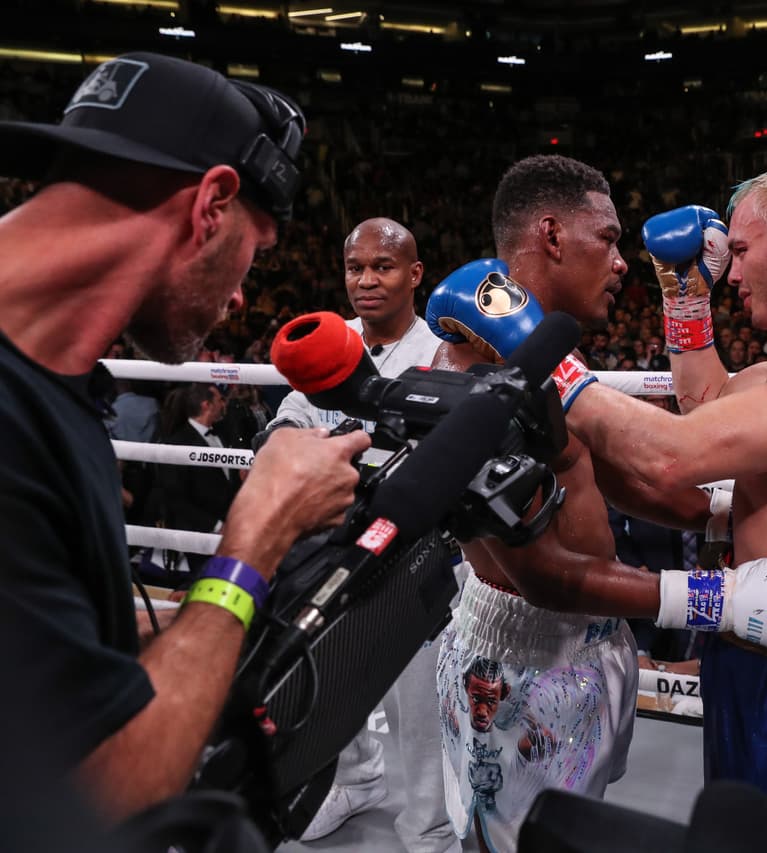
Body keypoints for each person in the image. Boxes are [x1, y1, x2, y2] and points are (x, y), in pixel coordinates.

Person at [432, 157, 767, 853]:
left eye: (744, 252)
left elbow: (674, 453)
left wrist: (540, 351)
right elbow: (706, 406)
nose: (735, 273)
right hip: (751, 637)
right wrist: (684, 298)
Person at [0, 53, 370, 820]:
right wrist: (253, 544)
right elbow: (99, 798)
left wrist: (178, 631)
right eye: (253, 251)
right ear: (211, 205)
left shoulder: (49, 388)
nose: (240, 294)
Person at [262, 217, 457, 852]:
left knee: (417, 696)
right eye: (356, 267)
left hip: (416, 543)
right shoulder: (329, 340)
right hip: (333, 537)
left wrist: (340, 448)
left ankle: (428, 823)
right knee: (329, 669)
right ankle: (356, 780)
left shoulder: (441, 352)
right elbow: (287, 425)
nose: (367, 280)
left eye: (383, 266)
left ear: (414, 274)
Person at [155, 383, 239, 574]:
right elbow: (174, 497)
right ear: (206, 405)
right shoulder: (177, 443)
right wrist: (216, 526)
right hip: (198, 534)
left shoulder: (223, 434)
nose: (223, 404)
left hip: (231, 528)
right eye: (219, 400)